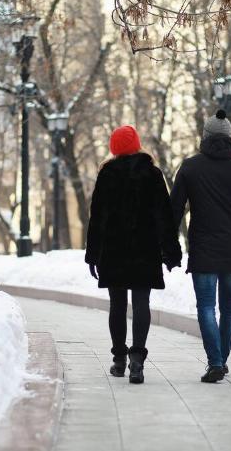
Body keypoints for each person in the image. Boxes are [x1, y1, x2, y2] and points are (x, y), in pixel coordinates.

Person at [170, 109, 231, 383]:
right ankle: (220, 360)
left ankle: (216, 361)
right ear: (229, 139)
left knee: (205, 306)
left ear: (205, 137)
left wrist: (169, 248)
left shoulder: (190, 167)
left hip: (202, 248)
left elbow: (174, 212)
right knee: (229, 308)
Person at [85, 125, 182, 384]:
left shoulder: (107, 175)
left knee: (117, 305)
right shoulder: (152, 174)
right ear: (137, 145)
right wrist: (171, 251)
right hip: (144, 250)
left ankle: (119, 359)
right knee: (141, 304)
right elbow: (164, 216)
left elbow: (98, 219)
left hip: (114, 250)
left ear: (113, 149)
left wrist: (92, 254)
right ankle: (137, 359)